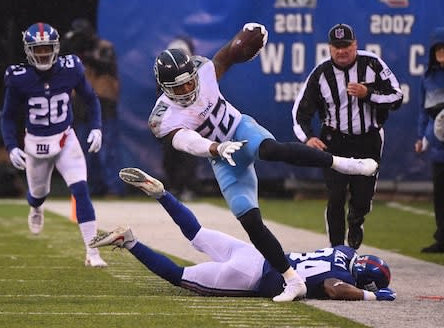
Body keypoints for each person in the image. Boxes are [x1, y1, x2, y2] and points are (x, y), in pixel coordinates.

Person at [148, 22, 379, 302]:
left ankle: (342, 163)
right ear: (164, 88)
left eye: (188, 80)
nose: (186, 88)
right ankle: (292, 281)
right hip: (222, 157)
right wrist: (216, 148)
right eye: (178, 86)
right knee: (249, 219)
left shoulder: (204, 71)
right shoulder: (164, 118)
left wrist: (245, 41)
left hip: (241, 130)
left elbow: (228, 55)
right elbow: (187, 141)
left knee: (270, 149)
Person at [90, 167, 396, 301]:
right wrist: (371, 295)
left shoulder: (342, 252)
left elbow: (333, 273)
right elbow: (334, 287)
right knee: (179, 275)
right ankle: (128, 240)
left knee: (197, 234)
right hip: (254, 278)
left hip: (257, 255)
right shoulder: (343, 277)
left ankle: (163, 195)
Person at [0, 22, 107, 267]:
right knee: (38, 195)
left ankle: (92, 253)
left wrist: (97, 128)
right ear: (28, 51)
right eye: (37, 50)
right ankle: (36, 209)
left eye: (47, 48)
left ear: (56, 47)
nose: (42, 54)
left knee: (80, 190)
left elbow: (92, 100)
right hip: (35, 143)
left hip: (65, 137)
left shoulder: (71, 69)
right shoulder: (19, 77)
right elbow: (7, 116)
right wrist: (11, 146)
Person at [292, 23, 403, 250]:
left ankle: (356, 220)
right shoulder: (321, 73)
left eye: (346, 46)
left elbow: (396, 97)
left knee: (362, 197)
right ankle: (336, 250)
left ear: (356, 45)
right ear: (329, 47)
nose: (341, 51)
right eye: (336, 46)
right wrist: (308, 138)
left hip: (368, 139)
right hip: (334, 141)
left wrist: (368, 93)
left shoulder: (371, 63)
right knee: (335, 197)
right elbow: (300, 113)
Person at [60, 18, 124, 196]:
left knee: (107, 150)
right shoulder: (71, 50)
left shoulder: (104, 47)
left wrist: (85, 54)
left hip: (104, 102)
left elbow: (105, 65)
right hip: (80, 103)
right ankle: (89, 188)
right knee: (82, 150)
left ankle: (114, 189)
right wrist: (71, 47)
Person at [415, 27, 444, 253]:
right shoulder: (428, 79)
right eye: (439, 50)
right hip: (437, 147)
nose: (442, 54)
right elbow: (424, 112)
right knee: (440, 195)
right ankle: (442, 238)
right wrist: (421, 137)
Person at [161, 36, 198, 200]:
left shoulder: (197, 73)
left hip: (190, 118)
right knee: (170, 155)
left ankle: (188, 187)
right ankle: (174, 186)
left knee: (189, 154)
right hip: (173, 120)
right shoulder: (164, 76)